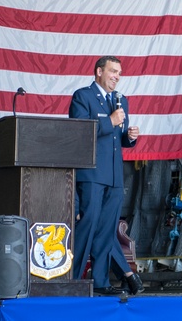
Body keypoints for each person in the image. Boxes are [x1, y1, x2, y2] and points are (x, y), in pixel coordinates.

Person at [69, 56, 143, 295]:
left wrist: (130, 137)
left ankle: (100, 282)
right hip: (91, 174)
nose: (117, 76)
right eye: (113, 71)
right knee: (87, 225)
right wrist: (110, 121)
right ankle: (72, 278)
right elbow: (79, 132)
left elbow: (119, 140)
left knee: (106, 229)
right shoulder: (83, 96)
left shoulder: (122, 101)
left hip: (114, 175)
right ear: (99, 71)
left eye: (119, 72)